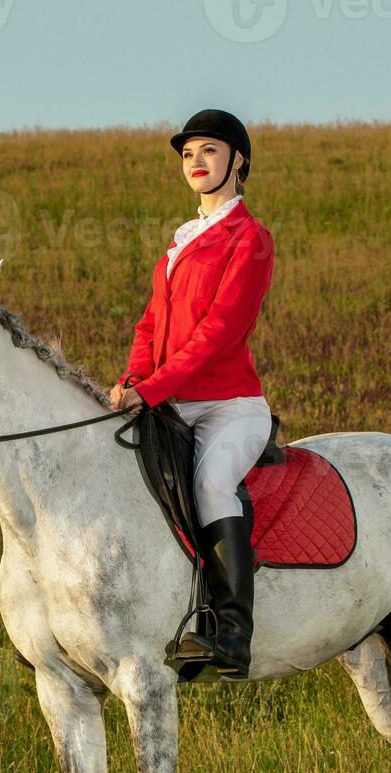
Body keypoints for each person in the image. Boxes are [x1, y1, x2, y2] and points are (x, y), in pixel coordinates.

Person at [108, 108, 275, 680]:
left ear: (238, 161)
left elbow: (219, 333)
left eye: (209, 150)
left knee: (210, 481)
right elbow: (150, 325)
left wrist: (152, 388)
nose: (196, 163)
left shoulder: (249, 238)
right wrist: (134, 379)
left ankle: (232, 634)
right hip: (169, 401)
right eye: (188, 154)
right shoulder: (179, 245)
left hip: (230, 406)